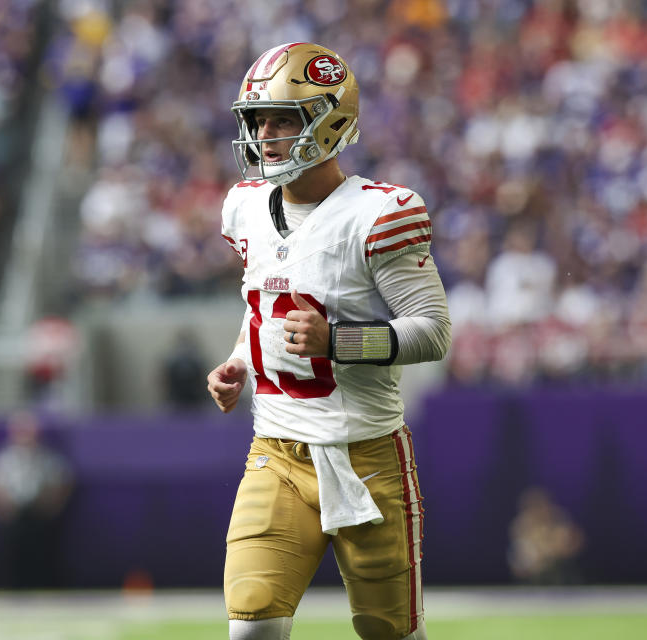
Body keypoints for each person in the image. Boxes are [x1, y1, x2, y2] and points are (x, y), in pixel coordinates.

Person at [206, 43, 451, 640]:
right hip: (277, 450)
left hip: (367, 456)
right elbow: (262, 305)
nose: (265, 134)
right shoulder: (245, 207)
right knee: (252, 622)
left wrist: (338, 341)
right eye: (258, 119)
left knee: (390, 632)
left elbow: (432, 331)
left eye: (283, 118)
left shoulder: (378, 213)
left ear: (330, 119)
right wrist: (240, 360)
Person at [0, 410, 74, 589]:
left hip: (39, 515)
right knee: (14, 555)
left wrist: (52, 506)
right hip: (14, 515)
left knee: (43, 556)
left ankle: (44, 586)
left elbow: (63, 481)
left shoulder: (46, 457)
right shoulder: (4, 458)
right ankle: (14, 587)